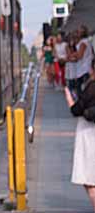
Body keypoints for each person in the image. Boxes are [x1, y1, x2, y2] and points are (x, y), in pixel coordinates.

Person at [64, 61, 95, 211]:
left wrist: (70, 101)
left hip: (89, 134)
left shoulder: (92, 87)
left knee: (89, 178)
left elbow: (77, 110)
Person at [70, 26, 93, 99]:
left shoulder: (83, 43)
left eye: (79, 31)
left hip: (83, 69)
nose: (77, 32)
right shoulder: (88, 41)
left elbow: (80, 55)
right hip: (88, 67)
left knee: (80, 89)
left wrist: (72, 56)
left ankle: (83, 106)